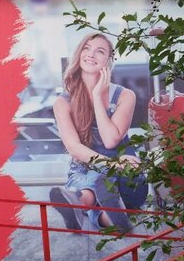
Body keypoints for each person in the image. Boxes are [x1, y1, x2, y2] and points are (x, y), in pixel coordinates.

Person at [49, 34, 148, 233]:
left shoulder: (125, 96)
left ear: (108, 61)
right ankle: (113, 220)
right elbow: (74, 148)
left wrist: (96, 96)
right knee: (96, 180)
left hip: (125, 170)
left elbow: (110, 141)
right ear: (79, 54)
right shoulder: (63, 102)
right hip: (84, 171)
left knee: (97, 181)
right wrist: (109, 166)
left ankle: (80, 202)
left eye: (100, 51)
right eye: (86, 48)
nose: (91, 54)